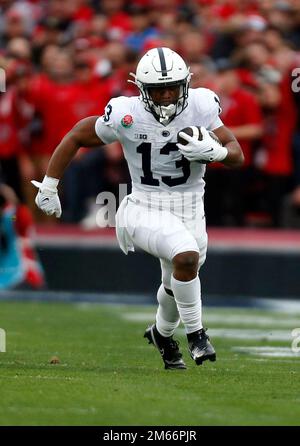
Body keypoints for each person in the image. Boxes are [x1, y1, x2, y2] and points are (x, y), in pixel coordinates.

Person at [31, 47, 244, 369]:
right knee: (185, 257)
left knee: (178, 280)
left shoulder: (201, 105)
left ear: (186, 84)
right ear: (142, 90)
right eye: (159, 90)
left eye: (173, 87)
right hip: (143, 205)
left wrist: (216, 153)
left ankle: (161, 334)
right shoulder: (125, 113)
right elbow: (77, 135)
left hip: (190, 207)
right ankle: (197, 334)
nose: (168, 95)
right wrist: (49, 184)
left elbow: (237, 155)